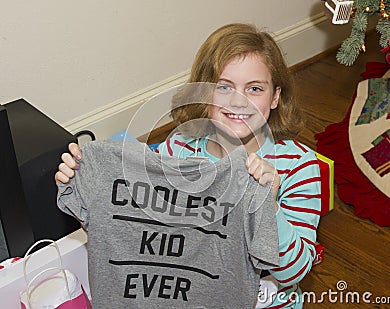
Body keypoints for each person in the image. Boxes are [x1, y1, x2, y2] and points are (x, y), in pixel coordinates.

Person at [55, 23, 321, 308]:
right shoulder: (178, 149)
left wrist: (269, 206)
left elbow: (295, 271)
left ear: (276, 97)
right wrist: (88, 188)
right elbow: (136, 232)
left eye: (254, 88)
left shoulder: (298, 167)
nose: (238, 101)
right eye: (223, 87)